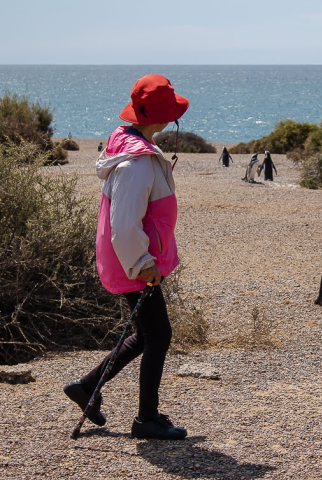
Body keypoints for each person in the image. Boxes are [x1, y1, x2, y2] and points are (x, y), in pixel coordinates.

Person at [63, 74, 189, 440]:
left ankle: (87, 387)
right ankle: (146, 419)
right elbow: (124, 224)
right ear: (163, 118)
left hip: (135, 259)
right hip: (134, 261)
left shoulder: (132, 145)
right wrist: (143, 264)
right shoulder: (135, 164)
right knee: (158, 334)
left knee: (149, 333)